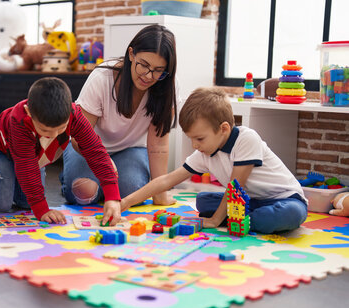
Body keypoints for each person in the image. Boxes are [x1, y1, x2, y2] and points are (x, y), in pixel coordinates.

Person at [121, 87, 308, 234]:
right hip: (249, 201)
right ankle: (242, 219)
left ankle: (239, 219)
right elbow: (167, 180)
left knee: (289, 214)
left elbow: (235, 187)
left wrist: (215, 220)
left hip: (285, 199)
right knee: (203, 201)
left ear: (224, 129)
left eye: (200, 138)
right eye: (191, 139)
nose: (194, 145)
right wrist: (124, 203)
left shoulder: (247, 138)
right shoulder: (205, 152)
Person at [60, 24, 178, 207]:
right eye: (144, 65)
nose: (148, 76)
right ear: (131, 54)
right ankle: (77, 178)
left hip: (130, 149)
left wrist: (160, 193)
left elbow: (158, 144)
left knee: (134, 191)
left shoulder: (167, 85)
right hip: (88, 148)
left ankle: (102, 185)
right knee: (84, 192)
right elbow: (78, 136)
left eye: (158, 70)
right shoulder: (102, 78)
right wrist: (104, 161)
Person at [0, 77, 121, 225]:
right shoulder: (19, 120)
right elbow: (26, 168)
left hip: (32, 156)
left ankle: (6, 182)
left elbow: (95, 151)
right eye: (45, 130)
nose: (53, 135)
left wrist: (112, 196)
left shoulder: (75, 115)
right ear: (29, 112)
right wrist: (42, 210)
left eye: (61, 128)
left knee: (26, 203)